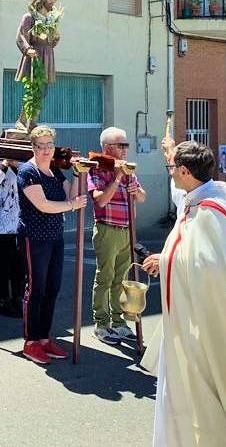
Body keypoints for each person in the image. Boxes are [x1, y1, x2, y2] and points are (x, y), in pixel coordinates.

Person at [142, 141, 226, 445]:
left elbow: (206, 266)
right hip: (189, 315)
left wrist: (165, 262)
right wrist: (171, 151)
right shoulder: (214, 193)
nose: (171, 175)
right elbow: (183, 204)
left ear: (184, 171)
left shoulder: (209, 214)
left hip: (200, 325)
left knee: (201, 393)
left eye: (172, 168)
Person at [17, 126, 86, 365]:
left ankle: (44, 338)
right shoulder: (28, 172)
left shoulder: (55, 172)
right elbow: (43, 205)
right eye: (40, 146)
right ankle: (31, 341)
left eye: (49, 145)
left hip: (55, 236)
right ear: (33, 147)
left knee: (52, 288)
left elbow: (71, 195)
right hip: (34, 237)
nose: (45, 150)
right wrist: (72, 206)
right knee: (35, 289)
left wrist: (78, 174)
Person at [87, 127, 146, 345]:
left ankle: (118, 322)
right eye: (121, 145)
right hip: (107, 228)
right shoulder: (96, 170)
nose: (125, 150)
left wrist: (136, 191)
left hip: (127, 229)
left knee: (122, 278)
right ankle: (101, 324)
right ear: (107, 148)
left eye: (126, 145)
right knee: (105, 276)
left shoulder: (129, 171)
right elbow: (100, 200)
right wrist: (118, 177)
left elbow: (142, 197)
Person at [13, 0, 62, 130]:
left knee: (43, 91)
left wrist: (55, 37)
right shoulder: (29, 17)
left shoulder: (49, 20)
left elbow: (51, 41)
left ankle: (30, 121)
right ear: (42, 0)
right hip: (35, 56)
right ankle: (22, 121)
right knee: (34, 90)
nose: (52, 2)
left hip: (47, 55)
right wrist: (27, 49)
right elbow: (21, 35)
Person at [0, 158, 24, 317]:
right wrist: (6, 162)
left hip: (21, 219)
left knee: (19, 261)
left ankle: (18, 297)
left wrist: (18, 165)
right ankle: (4, 299)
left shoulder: (25, 164)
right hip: (3, 220)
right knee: (6, 258)